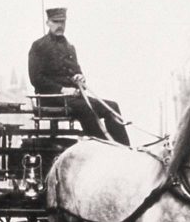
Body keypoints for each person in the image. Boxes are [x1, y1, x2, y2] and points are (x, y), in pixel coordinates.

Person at [28, 7, 130, 145]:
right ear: (48, 23)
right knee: (86, 109)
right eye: (56, 22)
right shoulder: (39, 46)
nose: (60, 25)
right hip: (51, 98)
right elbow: (36, 79)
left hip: (74, 98)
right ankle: (104, 147)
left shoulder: (69, 47)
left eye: (62, 22)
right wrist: (62, 89)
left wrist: (80, 77)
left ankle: (124, 150)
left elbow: (77, 70)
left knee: (112, 107)